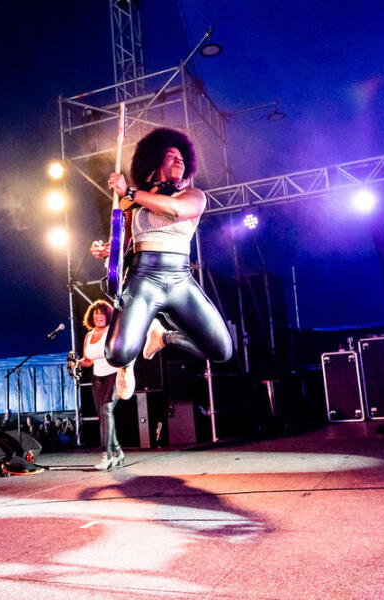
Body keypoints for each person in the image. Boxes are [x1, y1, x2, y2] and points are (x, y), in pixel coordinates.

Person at [91, 127, 233, 371]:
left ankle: (162, 337)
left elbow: (175, 210)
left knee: (222, 350)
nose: (179, 159)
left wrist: (130, 191)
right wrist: (106, 249)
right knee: (116, 355)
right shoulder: (129, 202)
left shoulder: (193, 195)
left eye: (181, 156)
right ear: (155, 159)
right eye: (170, 154)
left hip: (180, 280)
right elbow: (121, 245)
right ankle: (131, 360)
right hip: (142, 278)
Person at [77, 299, 125, 470]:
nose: (99, 316)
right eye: (96, 313)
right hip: (97, 378)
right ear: (92, 317)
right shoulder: (89, 336)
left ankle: (107, 455)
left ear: (108, 315)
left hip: (113, 374)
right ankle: (119, 452)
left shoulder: (112, 331)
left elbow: (122, 352)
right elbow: (88, 360)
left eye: (102, 313)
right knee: (103, 417)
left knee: (107, 411)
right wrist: (77, 363)